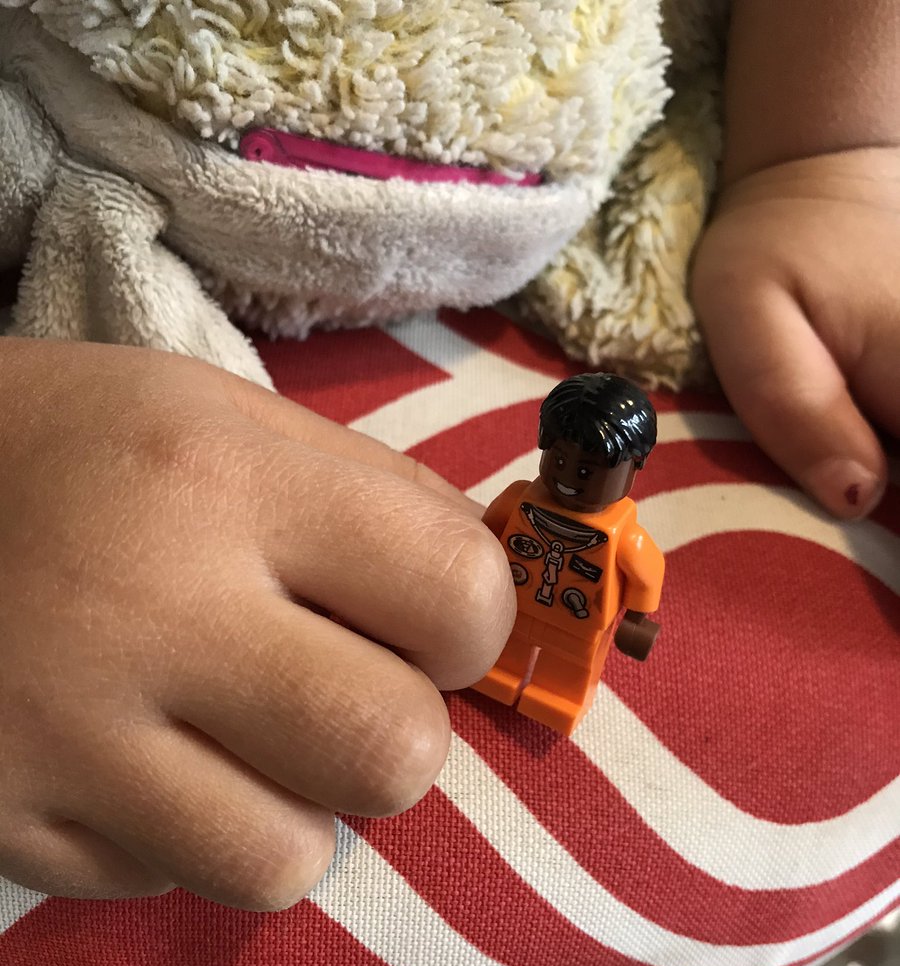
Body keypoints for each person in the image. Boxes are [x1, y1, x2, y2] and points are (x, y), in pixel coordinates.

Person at [0, 0, 897, 912]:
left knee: (542, 673)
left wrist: (828, 155)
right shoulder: (529, 502)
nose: (574, 477)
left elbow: (633, 586)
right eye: (567, 458)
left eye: (592, 468)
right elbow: (495, 532)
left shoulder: (613, 538)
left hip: (567, 600)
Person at [473, 374, 665, 735]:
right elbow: (485, 534)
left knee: (567, 669)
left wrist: (636, 620)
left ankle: (557, 702)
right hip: (512, 603)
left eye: (584, 471)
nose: (568, 479)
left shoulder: (626, 538)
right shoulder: (519, 500)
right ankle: (496, 677)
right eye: (559, 460)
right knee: (503, 649)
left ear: (634, 467)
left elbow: (647, 573)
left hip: (579, 622)